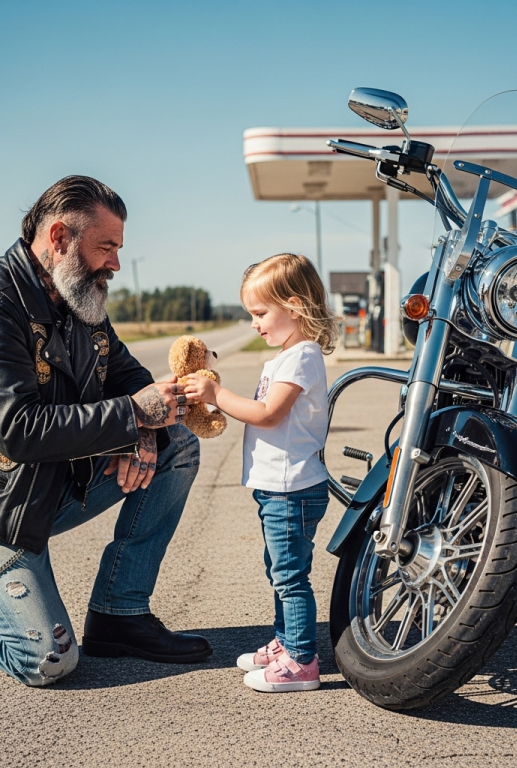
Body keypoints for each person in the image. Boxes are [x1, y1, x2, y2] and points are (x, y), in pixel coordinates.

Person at [0, 175, 211, 686]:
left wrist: (143, 430)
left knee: (176, 442)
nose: (115, 264)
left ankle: (119, 613)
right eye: (106, 247)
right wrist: (134, 414)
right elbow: (19, 430)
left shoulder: (78, 301)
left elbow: (128, 377)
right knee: (46, 661)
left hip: (42, 490)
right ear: (58, 239)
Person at [184, 253, 338, 692]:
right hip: (276, 488)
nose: (254, 324)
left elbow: (267, 415)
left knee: (290, 576)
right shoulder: (284, 358)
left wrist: (218, 392)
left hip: (292, 489)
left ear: (293, 306)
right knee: (280, 571)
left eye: (259, 313)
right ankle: (288, 643)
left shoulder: (302, 357)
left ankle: (302, 663)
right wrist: (214, 401)